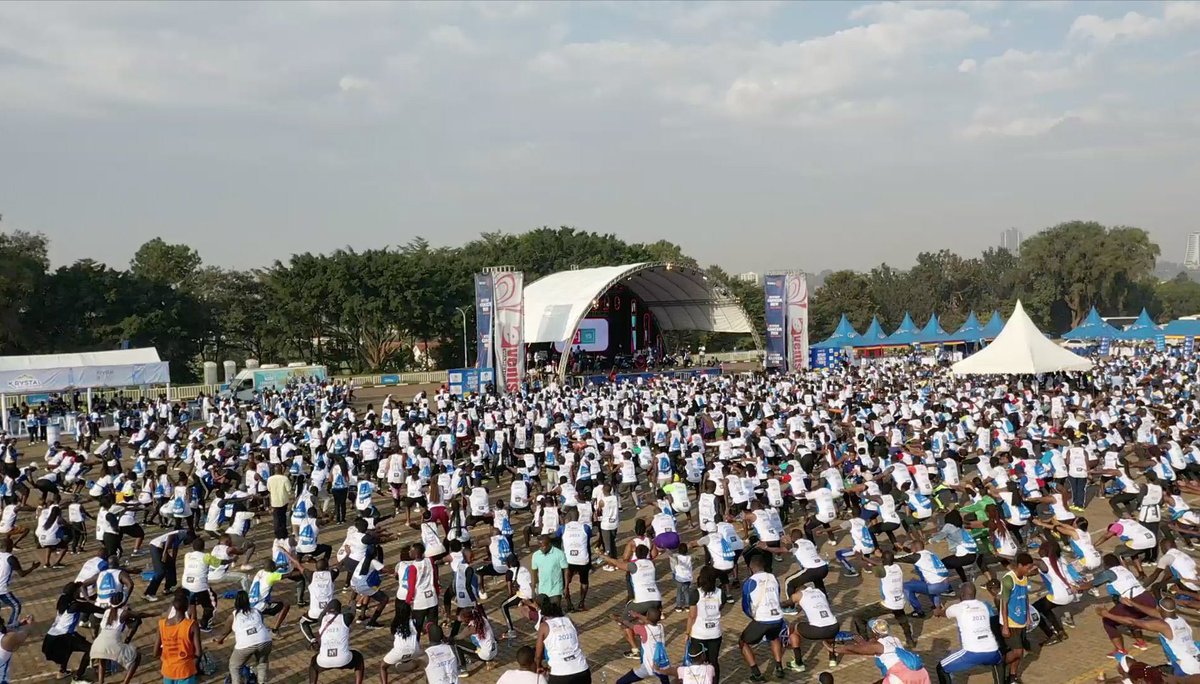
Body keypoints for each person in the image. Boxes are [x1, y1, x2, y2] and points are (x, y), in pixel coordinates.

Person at [1096, 596, 1200, 680]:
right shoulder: (1181, 621)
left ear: (1159, 608)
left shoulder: (1163, 625)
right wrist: (1132, 603)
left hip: (1184, 667)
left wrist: (1107, 615)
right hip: (1195, 660)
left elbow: (1132, 622)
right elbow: (1155, 613)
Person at [933, 583, 1003, 684]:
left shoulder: (959, 607)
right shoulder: (983, 605)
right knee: (999, 661)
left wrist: (937, 612)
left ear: (962, 594)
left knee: (941, 668)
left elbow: (943, 613)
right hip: (992, 651)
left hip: (971, 653)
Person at [836, 618, 931, 684]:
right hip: (921, 673)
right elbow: (866, 648)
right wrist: (859, 640)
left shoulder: (877, 646)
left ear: (874, 633)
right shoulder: (895, 639)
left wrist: (834, 649)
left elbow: (854, 649)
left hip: (900, 678)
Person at [738, 552, 786, 681]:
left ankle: (756, 673)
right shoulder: (773, 578)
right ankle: (779, 666)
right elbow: (778, 594)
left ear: (751, 568)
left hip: (762, 619)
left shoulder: (749, 582)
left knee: (743, 641)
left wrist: (752, 616)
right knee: (774, 637)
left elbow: (746, 605)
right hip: (777, 617)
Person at [215, 590, 272, 684]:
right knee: (262, 662)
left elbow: (224, 632)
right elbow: (260, 623)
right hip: (265, 640)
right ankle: (262, 682)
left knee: (235, 666)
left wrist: (220, 640)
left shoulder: (233, 616)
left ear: (236, 602)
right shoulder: (257, 611)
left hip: (245, 645)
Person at [534, 596, 591, 684]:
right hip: (582, 670)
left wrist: (538, 666)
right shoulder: (568, 621)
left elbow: (538, 655)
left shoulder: (544, 626)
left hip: (560, 674)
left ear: (545, 616)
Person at [309, 599, 365, 684]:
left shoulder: (322, 619)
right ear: (340, 610)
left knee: (313, 663)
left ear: (327, 610)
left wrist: (326, 608)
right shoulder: (345, 618)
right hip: (343, 660)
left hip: (324, 661)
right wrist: (352, 603)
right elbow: (353, 611)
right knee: (359, 657)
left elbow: (322, 614)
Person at [998, 552, 1035, 682]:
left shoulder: (1024, 578)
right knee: (1018, 651)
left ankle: (1012, 676)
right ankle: (999, 663)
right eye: (1028, 567)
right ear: (1020, 565)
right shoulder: (1008, 580)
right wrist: (1005, 626)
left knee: (1020, 651)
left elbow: (1025, 597)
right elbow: (1004, 603)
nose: (1029, 570)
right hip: (1011, 621)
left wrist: (1028, 616)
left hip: (1022, 620)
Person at [612, 605, 670, 684]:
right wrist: (637, 615)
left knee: (621, 682)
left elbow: (628, 624)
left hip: (648, 667)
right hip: (662, 664)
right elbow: (650, 620)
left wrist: (619, 620)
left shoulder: (644, 629)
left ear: (647, 616)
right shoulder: (661, 627)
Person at [155, 591, 202, 684]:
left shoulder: (161, 624)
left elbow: (155, 652)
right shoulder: (192, 625)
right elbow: (198, 652)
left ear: (173, 606)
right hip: (186, 669)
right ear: (187, 607)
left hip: (168, 669)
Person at [379, 601, 426, 684]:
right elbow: (422, 631)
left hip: (399, 651)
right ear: (410, 612)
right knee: (421, 656)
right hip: (415, 650)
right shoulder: (414, 622)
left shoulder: (395, 624)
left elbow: (393, 633)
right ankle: (411, 664)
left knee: (383, 666)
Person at [0, 539, 38, 628]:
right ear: (10, 546)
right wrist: (32, 568)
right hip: (2, 589)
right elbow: (22, 574)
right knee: (16, 605)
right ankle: (11, 626)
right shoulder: (11, 558)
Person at [531, 534, 568, 610]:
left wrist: (566, 587)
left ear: (549, 544)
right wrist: (533, 590)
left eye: (543, 546)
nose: (542, 548)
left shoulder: (559, 554)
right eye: (540, 546)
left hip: (556, 589)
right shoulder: (535, 555)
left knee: (555, 611)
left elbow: (566, 571)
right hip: (542, 590)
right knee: (544, 612)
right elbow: (534, 572)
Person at [0, 616, 35, 684]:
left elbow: (5, 628)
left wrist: (19, 623)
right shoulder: (7, 639)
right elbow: (26, 632)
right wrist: (30, 624)